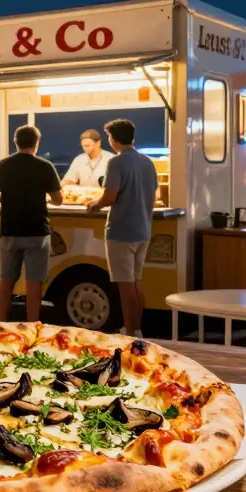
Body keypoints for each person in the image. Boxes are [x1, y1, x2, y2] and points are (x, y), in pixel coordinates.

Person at [87, 119, 158, 337]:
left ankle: (130, 331)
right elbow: (156, 195)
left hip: (121, 232)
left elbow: (109, 196)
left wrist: (95, 204)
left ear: (113, 139)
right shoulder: (147, 162)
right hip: (143, 230)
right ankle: (138, 329)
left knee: (125, 285)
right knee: (136, 281)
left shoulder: (116, 163)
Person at [0, 126, 62, 323]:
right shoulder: (45, 166)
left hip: (10, 229)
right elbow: (58, 200)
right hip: (37, 231)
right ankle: (32, 325)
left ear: (16, 142)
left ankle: (1, 324)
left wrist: (10, 196)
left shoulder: (3, 165)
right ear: (36, 143)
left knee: (6, 280)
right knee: (34, 283)